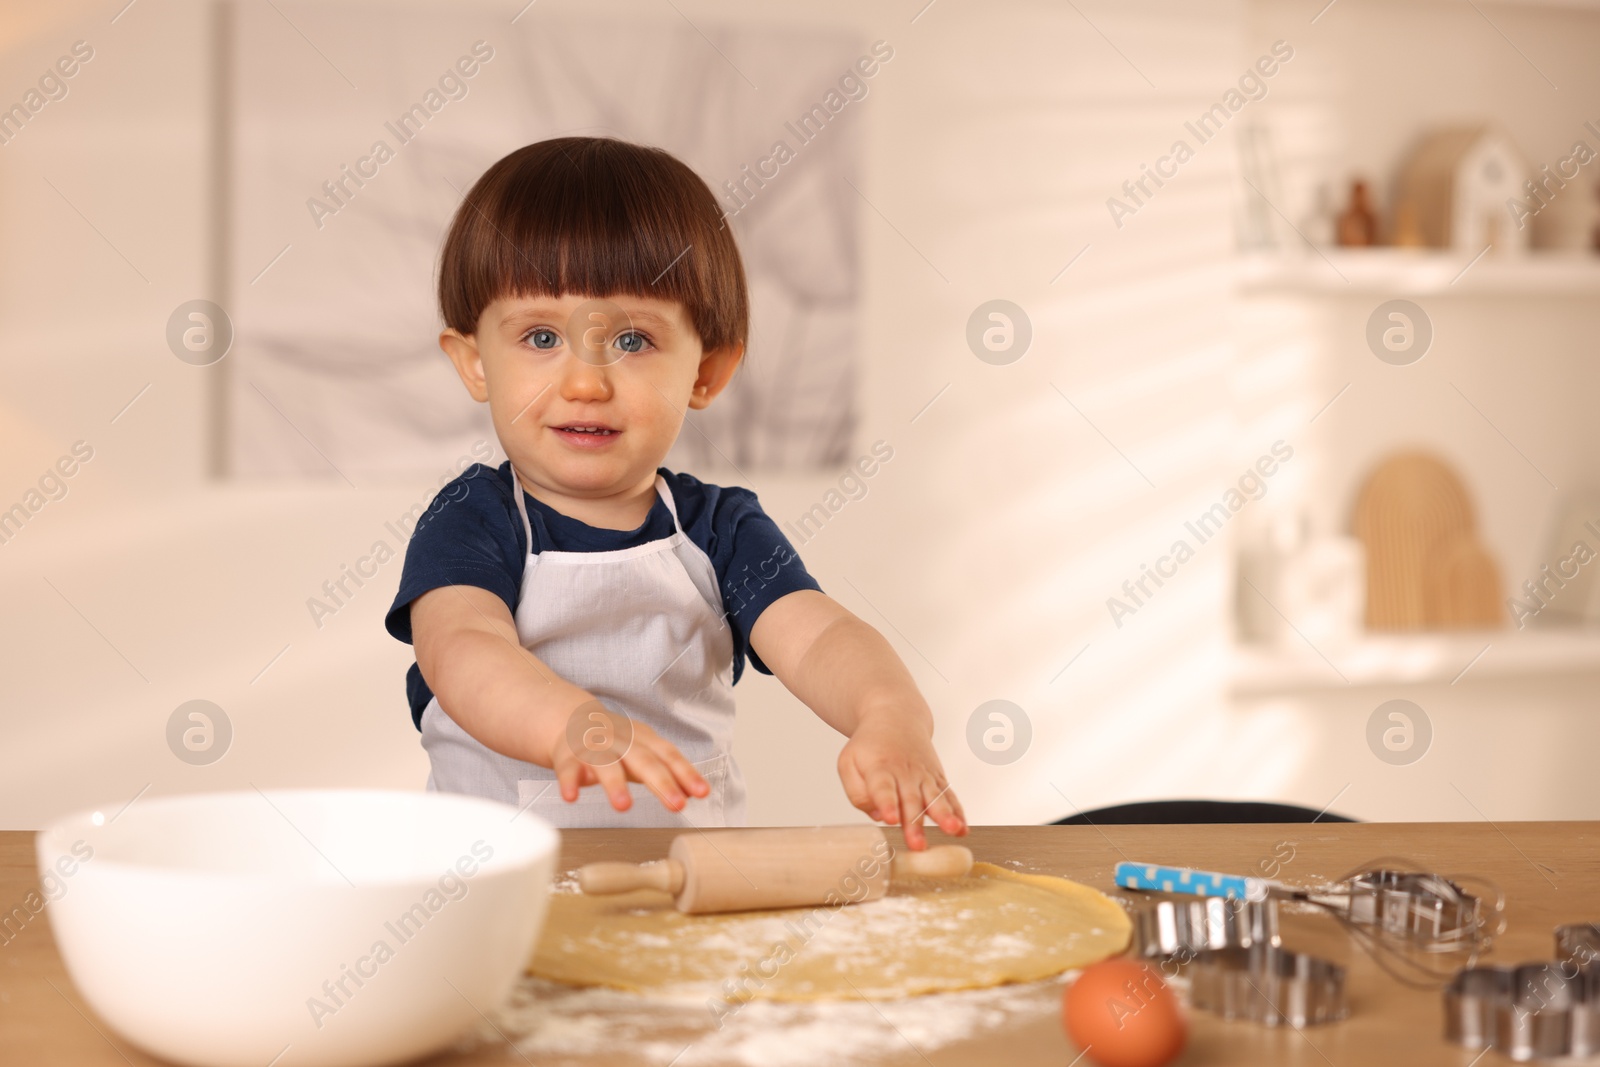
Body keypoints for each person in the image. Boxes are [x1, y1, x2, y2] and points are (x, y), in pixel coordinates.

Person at [385, 137, 965, 849]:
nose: (585, 382)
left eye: (632, 341)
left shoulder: (718, 530)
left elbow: (820, 637)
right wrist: (573, 722)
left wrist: (888, 712)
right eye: (540, 337)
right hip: (492, 888)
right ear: (475, 363)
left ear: (707, 373)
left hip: (688, 885)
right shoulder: (471, 520)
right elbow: (463, 650)